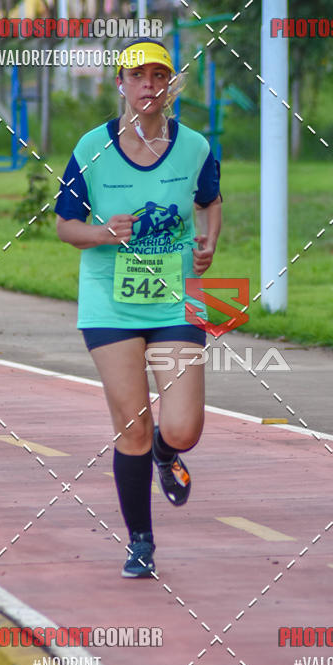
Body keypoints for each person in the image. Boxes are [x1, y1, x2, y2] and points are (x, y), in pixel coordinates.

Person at [54, 38, 222, 578]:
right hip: (110, 303)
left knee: (184, 428)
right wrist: (102, 233)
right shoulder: (90, 149)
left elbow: (209, 200)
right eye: (137, 75)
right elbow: (64, 226)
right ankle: (141, 541)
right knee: (132, 426)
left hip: (179, 296)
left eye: (158, 75)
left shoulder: (194, 146)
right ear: (121, 85)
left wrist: (209, 240)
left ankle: (166, 453)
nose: (148, 84)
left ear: (171, 86)